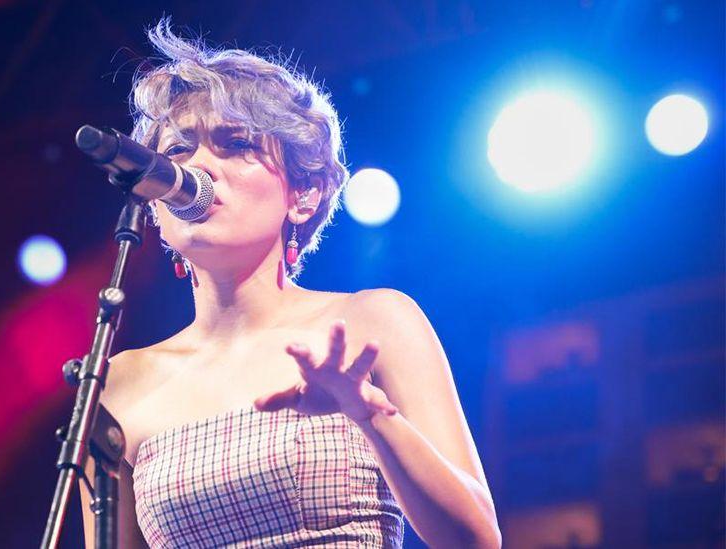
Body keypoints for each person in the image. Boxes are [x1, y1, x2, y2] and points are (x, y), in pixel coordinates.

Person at [81, 20, 501, 548]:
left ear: (303, 193)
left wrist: (369, 415)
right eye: (180, 150)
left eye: (234, 144)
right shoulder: (118, 381)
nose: (200, 167)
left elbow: (477, 538)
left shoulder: (372, 320)